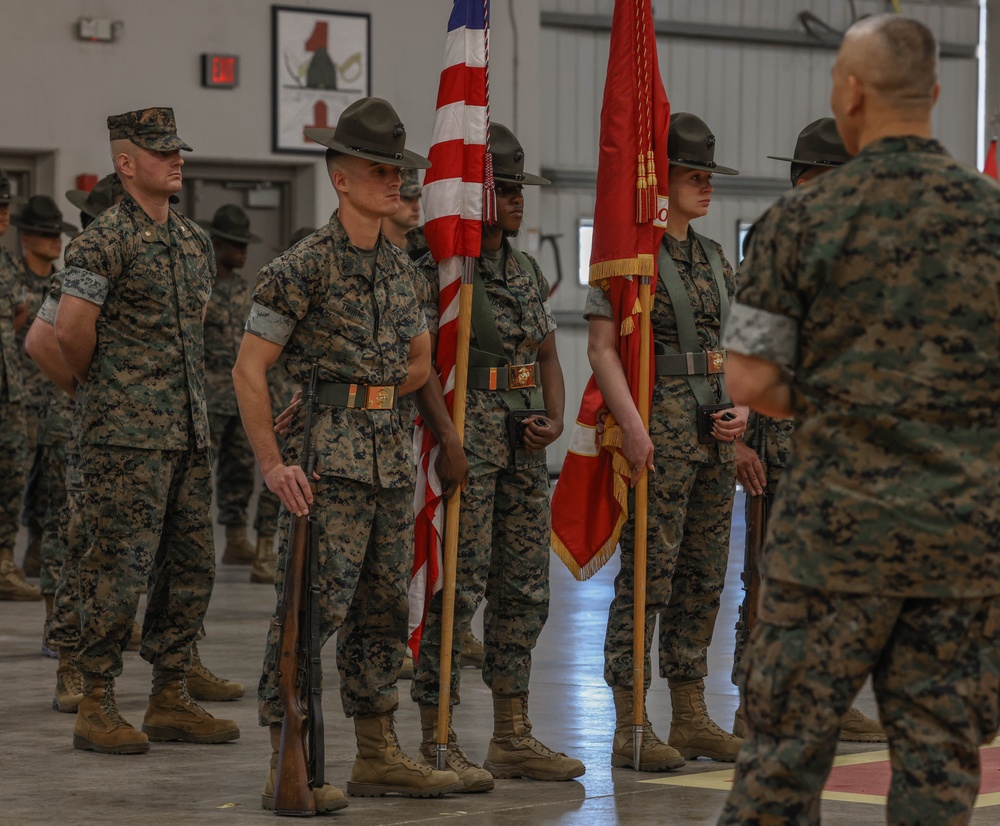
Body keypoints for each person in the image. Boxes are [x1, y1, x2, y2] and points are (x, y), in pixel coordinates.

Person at [718, 16, 1000, 824]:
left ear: (850, 92)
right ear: (936, 94)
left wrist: (845, 398)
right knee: (939, 773)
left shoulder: (800, 222)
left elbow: (750, 376)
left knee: (779, 767)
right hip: (960, 548)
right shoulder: (990, 220)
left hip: (831, 546)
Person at [232, 96, 462, 809]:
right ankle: (286, 755)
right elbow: (249, 368)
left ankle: (377, 751)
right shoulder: (301, 267)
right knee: (309, 611)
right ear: (340, 178)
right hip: (325, 465)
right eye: (379, 168)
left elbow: (423, 360)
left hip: (391, 460)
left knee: (383, 610)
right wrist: (273, 464)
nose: (396, 180)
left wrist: (378, 387)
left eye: (399, 168)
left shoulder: (404, 270)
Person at [54, 107, 239, 755]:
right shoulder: (101, 241)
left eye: (178, 150)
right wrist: (108, 396)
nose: (176, 160)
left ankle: (170, 695)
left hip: (188, 434)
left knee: (190, 567)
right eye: (162, 153)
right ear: (126, 163)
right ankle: (97, 701)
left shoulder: (193, 242)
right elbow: (67, 334)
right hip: (123, 439)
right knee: (116, 570)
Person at [410, 123, 585, 789]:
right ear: (474, 193)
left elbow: (545, 355)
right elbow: (420, 364)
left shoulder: (524, 267)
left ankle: (512, 735)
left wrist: (555, 416)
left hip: (520, 440)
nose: (518, 201)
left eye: (520, 189)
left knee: (523, 589)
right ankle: (439, 733)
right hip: (465, 443)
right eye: (505, 189)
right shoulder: (442, 269)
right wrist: (447, 441)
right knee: (457, 588)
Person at [585, 112, 745, 770]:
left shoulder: (714, 258)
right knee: (648, 578)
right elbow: (602, 350)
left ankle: (689, 715)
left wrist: (744, 409)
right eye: (693, 175)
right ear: (662, 177)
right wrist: (631, 425)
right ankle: (632, 724)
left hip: (714, 432)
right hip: (659, 432)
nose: (706, 186)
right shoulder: (629, 257)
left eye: (710, 175)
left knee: (704, 577)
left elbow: (735, 347)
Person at [731, 117, 883, 744]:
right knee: (768, 583)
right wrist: (739, 440)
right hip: (780, 452)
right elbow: (742, 359)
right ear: (808, 179)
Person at [12, 196, 77, 582]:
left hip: (54, 398)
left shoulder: (63, 282)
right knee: (16, 481)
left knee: (51, 488)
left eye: (58, 234)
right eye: (45, 234)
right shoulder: (12, 280)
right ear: (25, 237)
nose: (55, 241)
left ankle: (37, 552)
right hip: (18, 399)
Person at [202, 203, 262, 569]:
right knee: (199, 471)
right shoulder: (200, 285)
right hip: (207, 394)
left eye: (245, 244)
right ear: (218, 244)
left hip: (239, 396)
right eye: (236, 244)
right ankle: (194, 536)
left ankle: (237, 537)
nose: (243, 251)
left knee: (239, 467)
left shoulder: (246, 291)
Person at [0, 171, 39, 601]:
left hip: (9, 389)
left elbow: (18, 318)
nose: (3, 215)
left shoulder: (8, 265)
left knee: (11, 477)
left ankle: (3, 564)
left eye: (6, 207)